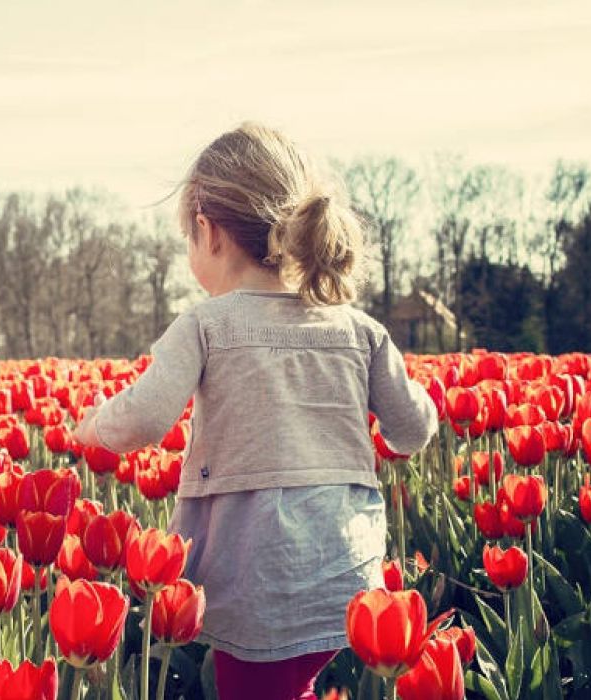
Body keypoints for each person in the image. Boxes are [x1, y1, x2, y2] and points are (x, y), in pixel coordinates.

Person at [73, 123, 437, 700]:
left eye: (188, 239)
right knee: (292, 685)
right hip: (345, 564)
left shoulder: (206, 325)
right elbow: (414, 430)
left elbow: (144, 418)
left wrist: (93, 426)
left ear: (208, 231)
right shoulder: (359, 330)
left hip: (254, 572)